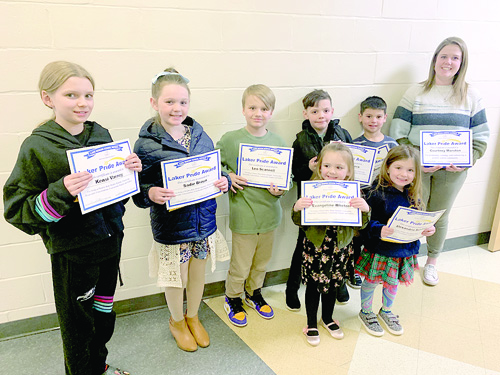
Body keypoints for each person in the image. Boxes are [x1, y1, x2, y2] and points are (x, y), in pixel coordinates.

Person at [3, 61, 141, 375]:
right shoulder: (37, 146)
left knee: (102, 317)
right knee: (78, 326)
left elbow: (115, 193)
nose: (82, 103)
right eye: (71, 95)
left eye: (88, 95)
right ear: (47, 98)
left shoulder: (100, 134)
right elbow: (16, 210)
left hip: (109, 245)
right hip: (73, 254)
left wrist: (129, 172)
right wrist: (59, 191)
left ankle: (98, 368)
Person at [133, 68, 230, 352]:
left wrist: (221, 181)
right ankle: (176, 321)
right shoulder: (146, 144)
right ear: (154, 103)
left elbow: (212, 170)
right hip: (173, 225)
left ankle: (193, 316)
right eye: (169, 102)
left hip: (203, 220)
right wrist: (149, 192)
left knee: (198, 273)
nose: (177, 108)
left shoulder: (200, 136)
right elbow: (138, 190)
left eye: (183, 102)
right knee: (177, 277)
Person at [390, 37, 489, 286]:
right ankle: (407, 258)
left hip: (452, 172)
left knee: (439, 215)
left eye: (455, 57)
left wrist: (467, 161)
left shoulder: (471, 95)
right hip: (417, 169)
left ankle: (432, 262)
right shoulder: (416, 92)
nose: (449, 62)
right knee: (414, 212)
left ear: (462, 63)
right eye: (444, 56)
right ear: (435, 60)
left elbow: (481, 136)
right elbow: (398, 131)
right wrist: (415, 162)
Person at [217, 84, 288, 327]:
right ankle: (232, 297)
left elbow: (286, 177)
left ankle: (253, 292)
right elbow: (213, 164)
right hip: (244, 215)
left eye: (264, 108)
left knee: (261, 262)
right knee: (241, 263)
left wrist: (281, 188)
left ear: (271, 112)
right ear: (244, 109)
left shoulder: (279, 142)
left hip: (270, 215)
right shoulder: (230, 140)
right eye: (253, 107)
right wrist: (228, 176)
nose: (258, 113)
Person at [292, 142, 370, 346]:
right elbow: (298, 221)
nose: (332, 171)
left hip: (340, 249)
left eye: (339, 167)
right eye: (326, 166)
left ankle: (327, 318)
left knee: (333, 286)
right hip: (316, 248)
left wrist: (365, 210)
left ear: (349, 170)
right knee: (313, 286)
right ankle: (311, 323)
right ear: (319, 166)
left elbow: (361, 225)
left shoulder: (354, 192)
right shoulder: (311, 188)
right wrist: (298, 208)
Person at [356, 145, 435, 337]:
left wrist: (426, 228)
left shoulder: (413, 193)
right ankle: (365, 312)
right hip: (380, 248)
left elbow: (417, 219)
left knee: (393, 283)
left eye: (410, 170)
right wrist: (379, 229)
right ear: (388, 167)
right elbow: (365, 221)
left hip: (403, 250)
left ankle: (386, 311)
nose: (404, 174)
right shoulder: (375, 192)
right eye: (398, 168)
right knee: (371, 281)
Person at [285, 89, 353, 312]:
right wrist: (310, 168)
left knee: (340, 244)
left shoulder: (343, 134)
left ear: (332, 111)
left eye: (325, 110)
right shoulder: (301, 140)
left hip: (340, 203)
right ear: (306, 113)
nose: (320, 115)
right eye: (315, 111)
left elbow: (353, 163)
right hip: (312, 204)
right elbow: (294, 172)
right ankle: (292, 288)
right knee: (303, 245)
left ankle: (339, 283)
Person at [350, 96, 398, 289]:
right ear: (360, 117)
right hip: (361, 197)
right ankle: (353, 269)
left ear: (385, 117)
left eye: (378, 116)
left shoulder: (392, 145)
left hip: (383, 199)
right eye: (369, 116)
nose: (373, 120)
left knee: (375, 233)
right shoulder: (354, 145)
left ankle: (372, 268)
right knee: (358, 235)